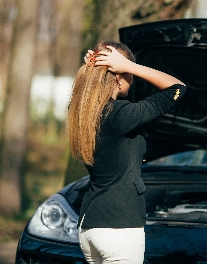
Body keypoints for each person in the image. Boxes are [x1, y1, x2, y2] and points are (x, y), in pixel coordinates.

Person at [66, 40, 186, 264]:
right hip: (118, 225)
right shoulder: (121, 115)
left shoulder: (84, 115)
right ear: (119, 75)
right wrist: (130, 66)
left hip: (89, 225)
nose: (133, 78)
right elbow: (178, 88)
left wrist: (95, 71)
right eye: (128, 72)